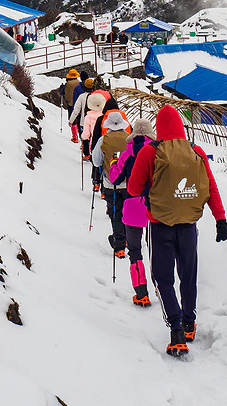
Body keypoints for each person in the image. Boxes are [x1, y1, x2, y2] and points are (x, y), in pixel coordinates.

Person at [128, 104, 227, 357]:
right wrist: (221, 219)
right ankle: (189, 322)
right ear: (181, 127)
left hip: (160, 225)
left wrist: (150, 189)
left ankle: (175, 331)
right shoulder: (196, 151)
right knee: (188, 275)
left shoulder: (150, 152)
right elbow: (211, 188)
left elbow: (132, 189)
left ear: (158, 128)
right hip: (188, 227)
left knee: (163, 278)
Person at [109, 118, 155, 307]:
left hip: (133, 203)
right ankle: (162, 288)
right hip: (157, 205)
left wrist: (113, 162)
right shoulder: (158, 150)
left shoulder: (128, 152)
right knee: (158, 251)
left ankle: (141, 293)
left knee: (135, 252)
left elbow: (114, 178)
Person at [92, 111, 130, 257]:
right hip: (128, 184)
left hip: (110, 184)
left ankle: (119, 245)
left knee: (115, 213)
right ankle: (127, 237)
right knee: (126, 212)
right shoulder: (129, 139)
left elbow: (96, 161)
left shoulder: (103, 140)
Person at [79, 92, 105, 163]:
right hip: (105, 140)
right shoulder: (105, 115)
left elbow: (86, 134)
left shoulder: (88, 117)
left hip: (94, 142)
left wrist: (83, 137)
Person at [59, 69, 81, 142]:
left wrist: (61, 88)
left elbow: (62, 92)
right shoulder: (79, 83)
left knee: (72, 119)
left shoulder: (68, 84)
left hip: (71, 103)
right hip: (79, 103)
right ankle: (80, 133)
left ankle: (75, 136)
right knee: (79, 118)